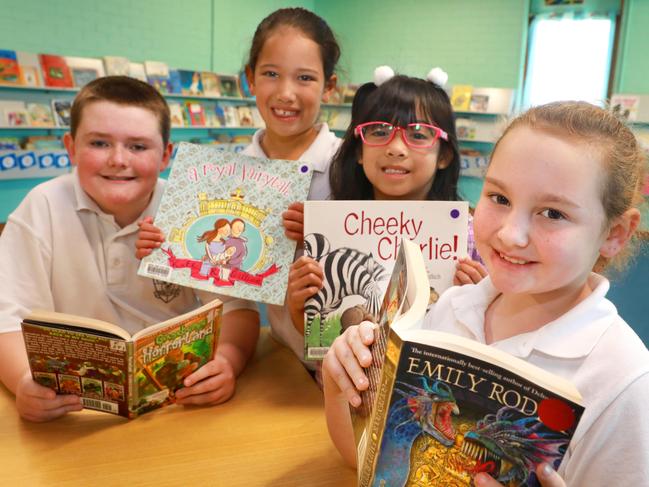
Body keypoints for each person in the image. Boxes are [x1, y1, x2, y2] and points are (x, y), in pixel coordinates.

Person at [322, 101, 649, 485]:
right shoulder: (451, 309)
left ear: (615, 234)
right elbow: (363, 462)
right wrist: (339, 381)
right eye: (499, 198)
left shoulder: (623, 382)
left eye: (554, 214)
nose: (511, 234)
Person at [0, 76, 259, 422]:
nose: (118, 159)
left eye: (138, 147)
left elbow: (237, 308)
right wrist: (22, 381)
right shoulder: (41, 207)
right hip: (74, 412)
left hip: (179, 402)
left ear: (166, 154)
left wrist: (228, 361)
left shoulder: (192, 211)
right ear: (71, 146)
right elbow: (7, 318)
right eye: (99, 143)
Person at [136, 7, 343, 368]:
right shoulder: (227, 177)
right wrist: (165, 245)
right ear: (250, 78)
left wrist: (328, 233)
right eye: (271, 74)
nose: (286, 93)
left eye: (305, 78)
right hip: (286, 363)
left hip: (352, 364)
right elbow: (228, 294)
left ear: (329, 86)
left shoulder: (351, 167)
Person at [286, 67, 487, 335]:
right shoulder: (335, 230)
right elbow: (319, 337)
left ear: (444, 156)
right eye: (379, 132)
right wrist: (298, 303)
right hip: (343, 375)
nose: (395, 147)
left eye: (417, 134)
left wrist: (482, 298)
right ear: (359, 150)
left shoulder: (469, 236)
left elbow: (483, 339)